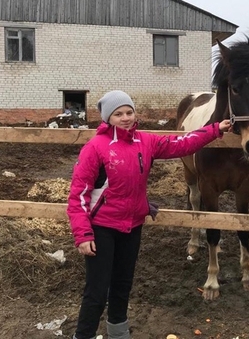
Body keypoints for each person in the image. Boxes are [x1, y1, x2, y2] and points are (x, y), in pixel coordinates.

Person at [67, 90, 231, 339]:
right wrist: (83, 234)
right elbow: (78, 195)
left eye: (129, 112)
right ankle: (84, 335)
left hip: (132, 226)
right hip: (101, 227)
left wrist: (215, 129)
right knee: (97, 291)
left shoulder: (145, 141)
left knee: (122, 286)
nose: (125, 118)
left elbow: (183, 143)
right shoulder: (95, 148)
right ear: (107, 118)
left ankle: (119, 334)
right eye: (118, 114)